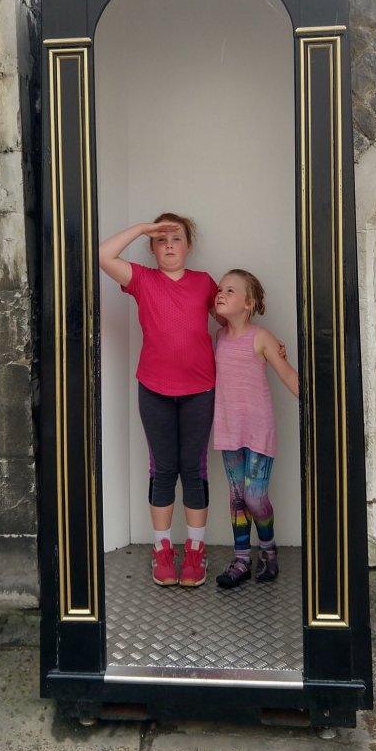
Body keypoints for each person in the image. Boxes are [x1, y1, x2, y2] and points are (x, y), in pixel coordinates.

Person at [98, 213, 217, 588]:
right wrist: (142, 229)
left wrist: (264, 344)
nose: (169, 245)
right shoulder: (142, 279)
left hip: (200, 390)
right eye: (161, 239)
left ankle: (195, 550)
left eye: (176, 238)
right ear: (151, 248)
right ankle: (162, 550)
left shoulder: (204, 282)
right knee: (164, 470)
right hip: (154, 390)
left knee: (193, 470)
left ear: (188, 246)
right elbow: (103, 255)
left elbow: (231, 321)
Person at [212, 269, 299, 588]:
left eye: (230, 291)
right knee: (237, 497)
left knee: (254, 497)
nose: (221, 294)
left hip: (258, 429)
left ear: (249, 304)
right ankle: (241, 560)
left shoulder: (261, 337)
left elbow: (288, 375)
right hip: (228, 428)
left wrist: (323, 407)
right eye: (220, 289)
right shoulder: (219, 336)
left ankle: (268, 550)